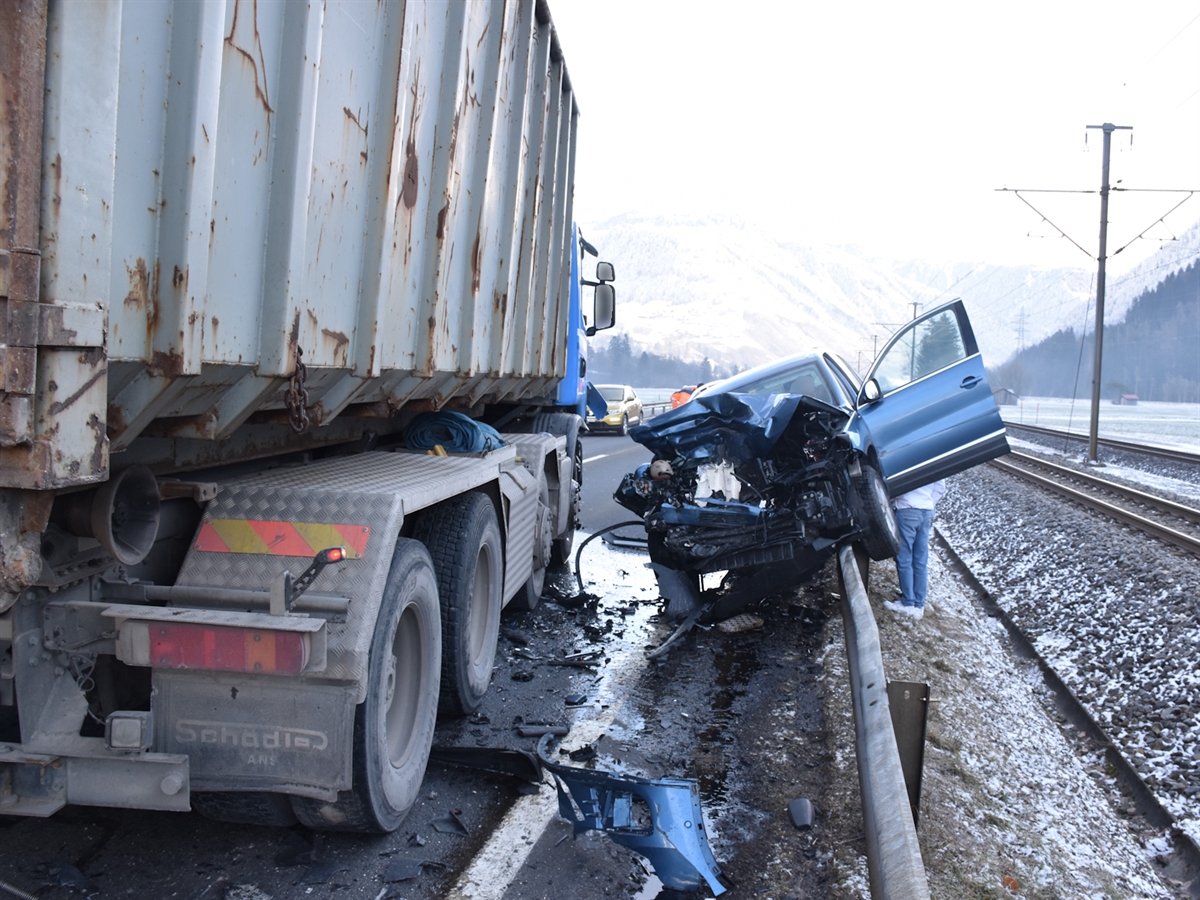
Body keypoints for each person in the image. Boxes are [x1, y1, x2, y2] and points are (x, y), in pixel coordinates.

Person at [882, 479, 946, 621]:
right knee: (920, 560)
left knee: (904, 558)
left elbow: (895, 485)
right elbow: (940, 487)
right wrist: (928, 503)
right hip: (926, 512)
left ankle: (908, 603)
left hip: (907, 510)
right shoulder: (932, 458)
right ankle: (919, 604)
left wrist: (895, 501)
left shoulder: (906, 457)